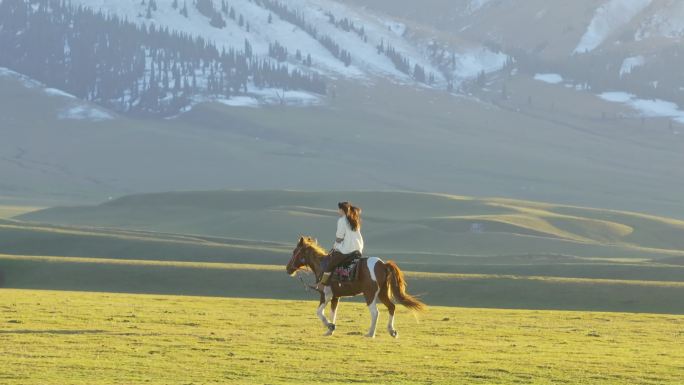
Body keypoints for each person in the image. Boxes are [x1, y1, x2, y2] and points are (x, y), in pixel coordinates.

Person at [317, 202, 364, 290]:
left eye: (339, 209)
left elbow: (339, 238)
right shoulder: (354, 219)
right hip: (358, 248)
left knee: (330, 264)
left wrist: (334, 246)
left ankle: (322, 284)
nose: (338, 211)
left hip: (347, 249)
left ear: (342, 210)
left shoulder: (342, 220)